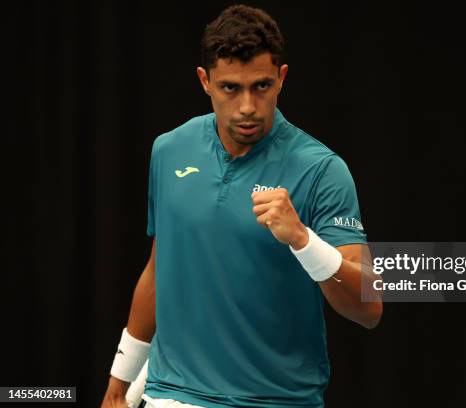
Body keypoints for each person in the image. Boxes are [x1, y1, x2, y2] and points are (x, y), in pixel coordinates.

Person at [101, 4, 382, 408]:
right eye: (231, 88)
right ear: (205, 81)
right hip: (170, 395)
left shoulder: (322, 170)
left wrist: (304, 241)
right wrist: (118, 385)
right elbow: (160, 269)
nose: (247, 106)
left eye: (261, 86)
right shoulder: (170, 149)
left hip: (276, 401)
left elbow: (369, 308)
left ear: (281, 79)